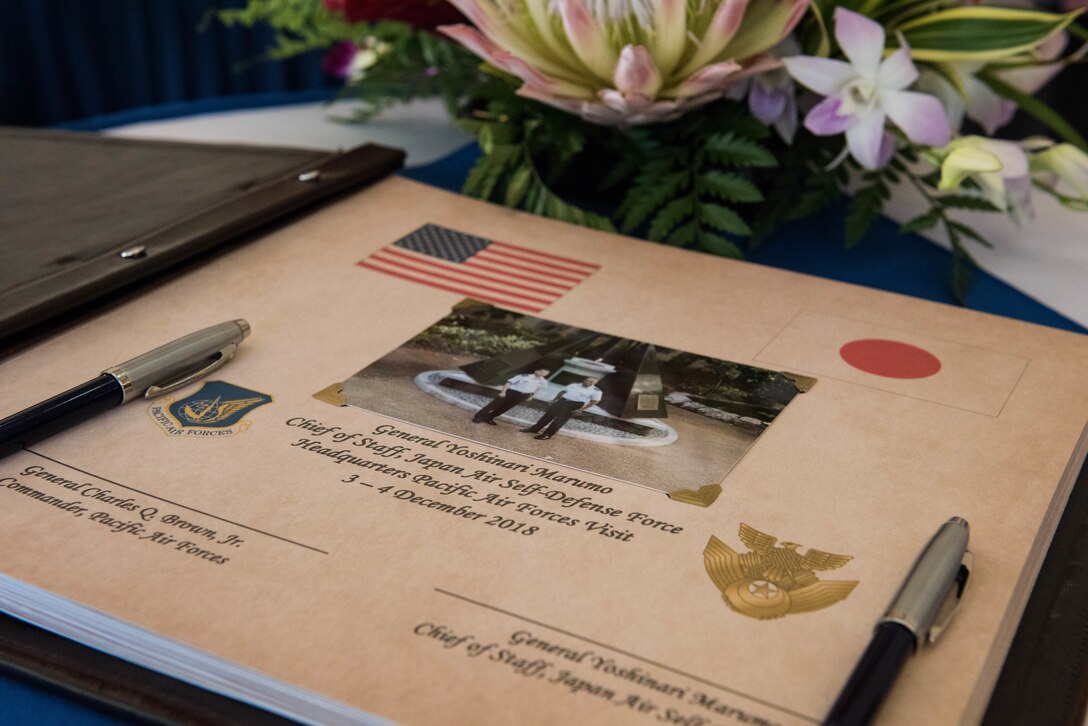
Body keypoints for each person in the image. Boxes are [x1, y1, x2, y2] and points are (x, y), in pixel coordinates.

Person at [520, 377, 602, 440]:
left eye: (591, 382)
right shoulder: (574, 384)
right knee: (547, 416)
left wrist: (581, 409)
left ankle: (546, 435)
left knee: (559, 420)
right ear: (584, 380)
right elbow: (562, 392)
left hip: (575, 405)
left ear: (595, 383)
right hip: (562, 401)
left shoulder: (596, 391)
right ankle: (534, 429)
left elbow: (595, 401)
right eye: (587, 380)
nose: (588, 382)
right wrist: (554, 400)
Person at [472, 369, 550, 425]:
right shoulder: (523, 376)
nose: (542, 374)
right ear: (536, 371)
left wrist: (531, 396)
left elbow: (537, 389)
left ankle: (489, 417)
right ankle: (478, 417)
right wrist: (503, 392)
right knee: (493, 405)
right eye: (541, 371)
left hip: (522, 396)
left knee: (504, 408)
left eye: (545, 373)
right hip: (511, 392)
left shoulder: (543, 382)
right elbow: (509, 382)